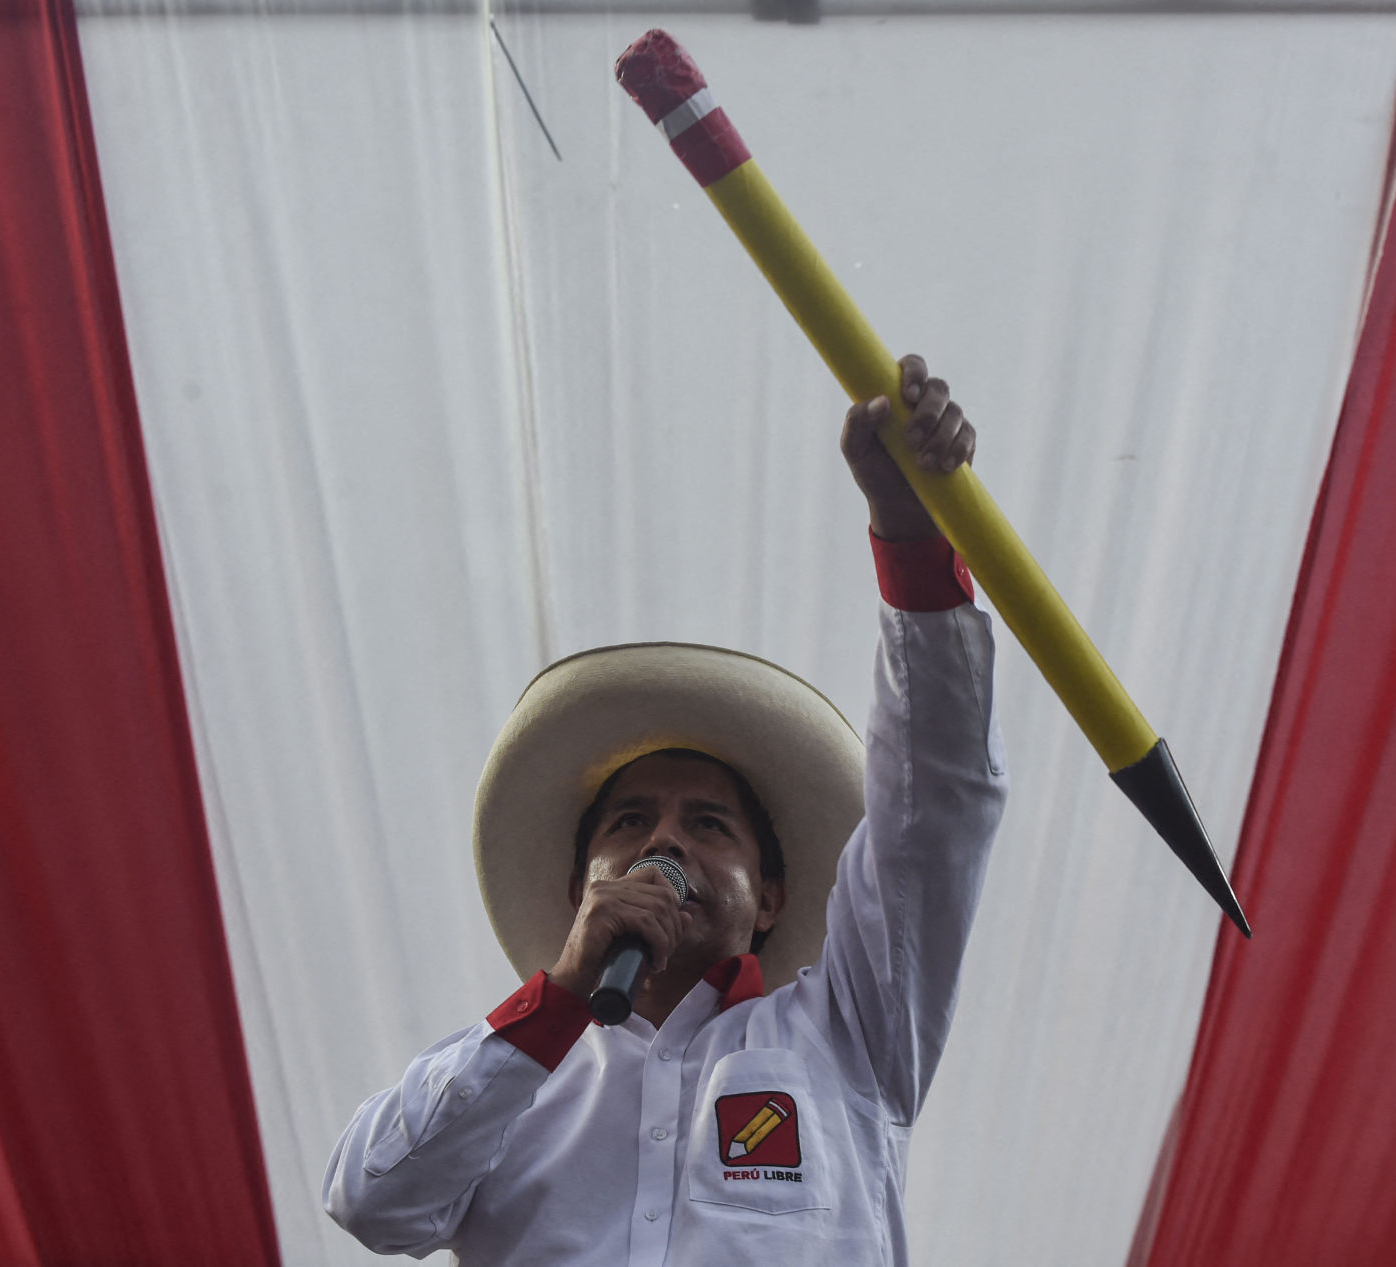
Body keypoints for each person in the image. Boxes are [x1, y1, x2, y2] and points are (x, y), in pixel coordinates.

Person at [324, 355, 1008, 1264]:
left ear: (770, 895)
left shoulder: (848, 1033)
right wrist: (558, 999)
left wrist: (914, 535)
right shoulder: (509, 1083)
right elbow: (373, 1202)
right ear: (581, 890)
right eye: (629, 822)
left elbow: (936, 805)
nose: (664, 842)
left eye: (709, 824)